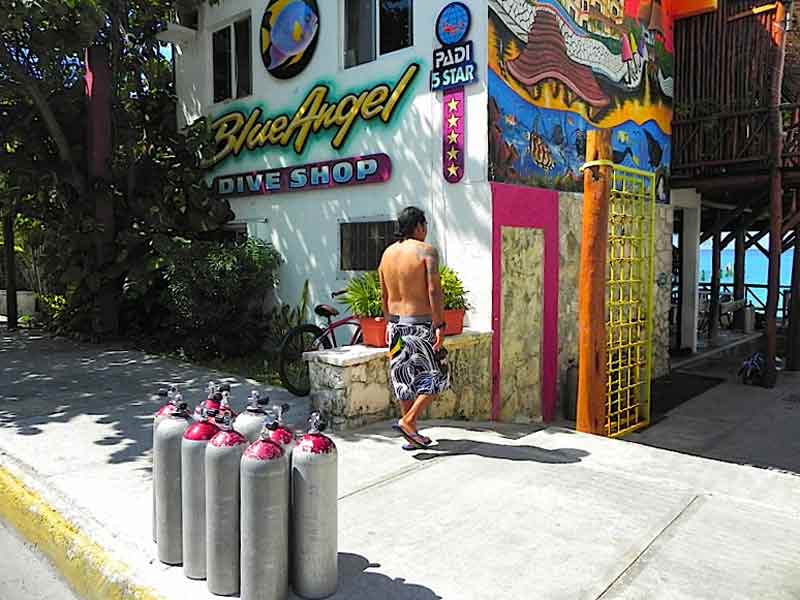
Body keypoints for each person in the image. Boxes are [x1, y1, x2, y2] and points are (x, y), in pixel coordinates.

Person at [378, 206, 450, 449]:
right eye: (425, 225)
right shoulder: (426, 251)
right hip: (419, 326)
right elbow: (433, 289)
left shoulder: (387, 254)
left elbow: (384, 293)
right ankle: (408, 421)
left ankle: (410, 433)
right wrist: (439, 324)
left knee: (403, 380)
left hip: (395, 327)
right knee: (438, 376)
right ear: (418, 226)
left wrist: (391, 322)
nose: (426, 230)